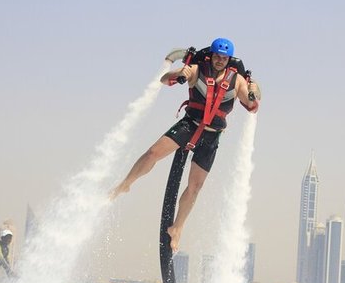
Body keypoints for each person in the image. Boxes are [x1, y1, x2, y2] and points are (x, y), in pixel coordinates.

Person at [109, 38, 261, 253]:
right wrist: (180, 74)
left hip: (211, 136)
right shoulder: (197, 69)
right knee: (153, 153)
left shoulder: (237, 81)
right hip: (189, 125)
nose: (219, 61)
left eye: (224, 58)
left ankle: (177, 228)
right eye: (217, 56)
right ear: (212, 55)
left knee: (195, 187)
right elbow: (164, 79)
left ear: (228, 60)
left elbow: (251, 105)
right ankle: (125, 183)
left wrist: (253, 92)